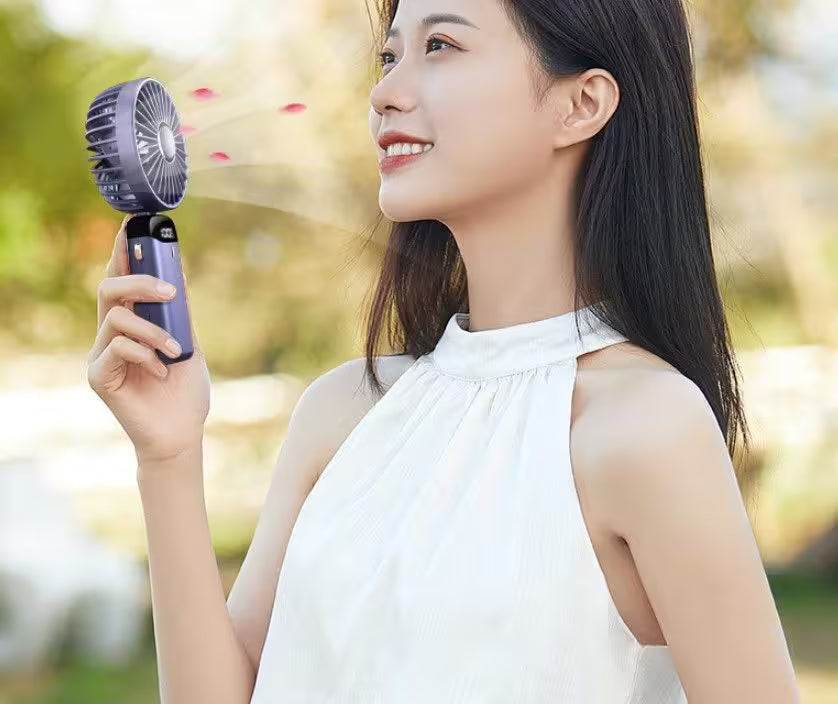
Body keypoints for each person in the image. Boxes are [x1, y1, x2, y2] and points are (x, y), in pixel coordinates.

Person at [86, 0, 802, 702]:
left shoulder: (645, 428)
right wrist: (168, 458)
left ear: (580, 104)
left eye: (441, 47)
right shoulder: (343, 414)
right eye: (390, 55)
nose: (386, 93)